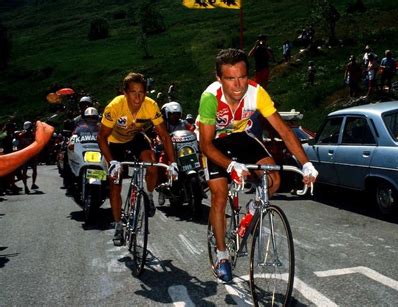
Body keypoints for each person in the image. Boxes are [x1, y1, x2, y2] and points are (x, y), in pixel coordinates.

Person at [197, 48, 318, 282]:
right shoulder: (210, 98)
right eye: (230, 78)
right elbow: (206, 145)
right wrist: (231, 166)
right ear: (219, 79)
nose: (238, 84)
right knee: (219, 195)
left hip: (241, 137)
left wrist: (306, 164)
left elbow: (283, 130)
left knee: (274, 179)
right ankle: (222, 255)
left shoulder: (257, 93)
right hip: (214, 142)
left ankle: (254, 207)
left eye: (242, 76)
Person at [98, 72, 178, 246]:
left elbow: (164, 136)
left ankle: (148, 195)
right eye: (133, 92)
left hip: (135, 137)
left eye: (141, 92)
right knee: (115, 183)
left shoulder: (150, 105)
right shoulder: (115, 106)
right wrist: (112, 162)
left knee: (152, 165)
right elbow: (101, 137)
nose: (137, 97)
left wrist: (172, 163)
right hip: (114, 141)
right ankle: (118, 225)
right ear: (125, 93)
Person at [17, 121, 39, 194]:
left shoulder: (21, 135)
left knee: (24, 171)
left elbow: (19, 145)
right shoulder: (33, 134)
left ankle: (25, 186)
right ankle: (33, 184)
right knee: (34, 169)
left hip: (24, 154)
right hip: (32, 154)